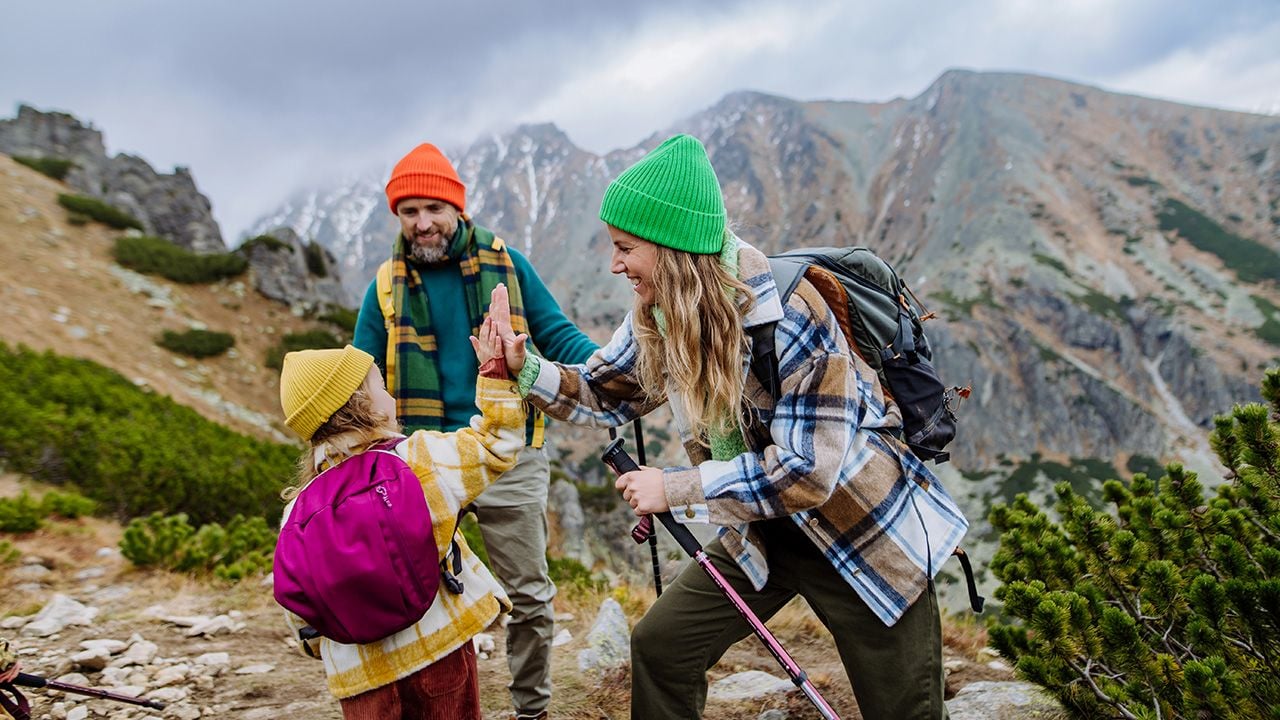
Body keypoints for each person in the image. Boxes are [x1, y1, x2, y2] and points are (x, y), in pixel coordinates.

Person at [495, 134, 970, 719]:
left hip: (859, 534)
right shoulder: (663, 312)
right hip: (763, 533)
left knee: (904, 711)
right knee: (662, 648)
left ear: (671, 249)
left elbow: (806, 474)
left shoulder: (795, 314)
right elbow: (605, 394)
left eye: (625, 248)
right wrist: (528, 369)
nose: (614, 264)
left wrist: (672, 488)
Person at [353, 143, 598, 720]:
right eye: (409, 212)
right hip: (421, 461)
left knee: (531, 597)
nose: (423, 223)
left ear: (457, 208)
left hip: (508, 449)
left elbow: (557, 334)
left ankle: (530, 710)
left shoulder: (507, 263)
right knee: (417, 596)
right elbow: (358, 371)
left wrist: (614, 375)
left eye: (433, 209)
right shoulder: (385, 285)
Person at [278, 285, 528, 720]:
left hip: (360, 680)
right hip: (439, 649)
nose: (390, 393)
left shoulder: (294, 514)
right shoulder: (418, 460)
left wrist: (328, 647)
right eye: (379, 384)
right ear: (360, 406)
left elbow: (299, 609)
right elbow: (496, 445)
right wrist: (494, 372)